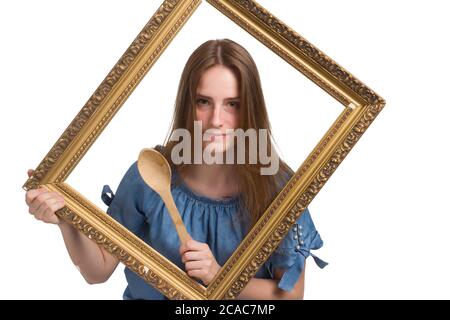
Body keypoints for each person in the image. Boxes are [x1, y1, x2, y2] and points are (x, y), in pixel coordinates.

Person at [25, 39, 327, 300]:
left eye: (232, 104)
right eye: (203, 102)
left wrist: (218, 277)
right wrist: (66, 218)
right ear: (187, 104)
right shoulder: (149, 176)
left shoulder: (277, 186)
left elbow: (291, 294)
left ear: (250, 109)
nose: (216, 120)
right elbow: (98, 270)